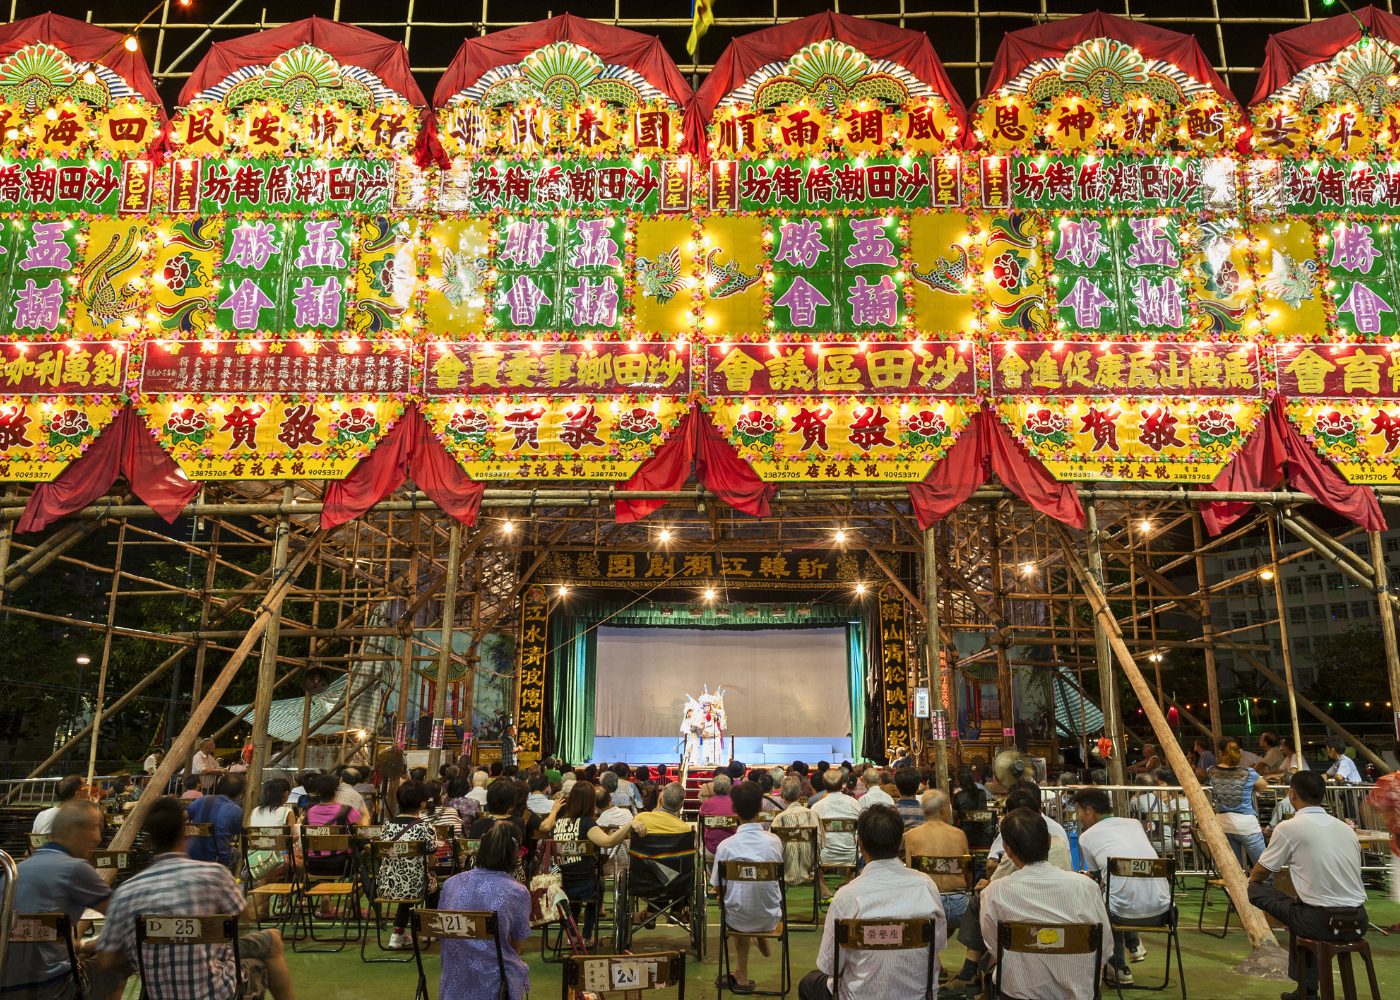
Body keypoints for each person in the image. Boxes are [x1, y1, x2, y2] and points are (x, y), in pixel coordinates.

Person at [94, 797, 296, 1000]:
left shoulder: (125, 892)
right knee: (271, 940)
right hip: (220, 993)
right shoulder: (215, 875)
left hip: (156, 993)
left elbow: (108, 958)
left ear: (149, 839)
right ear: (186, 832)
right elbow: (243, 920)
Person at [799, 804, 946, 999]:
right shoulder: (926, 886)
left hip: (859, 995)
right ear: (901, 843)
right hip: (918, 995)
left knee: (809, 983)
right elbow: (938, 943)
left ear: (860, 844)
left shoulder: (846, 896)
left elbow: (830, 965)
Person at [1250, 770, 1368, 1000]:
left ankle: (1307, 989)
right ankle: (1306, 988)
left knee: (1257, 891)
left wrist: (1251, 881)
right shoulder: (1346, 829)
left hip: (1320, 921)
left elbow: (1262, 871)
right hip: (1359, 919)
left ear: (1292, 794)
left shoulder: (1289, 827)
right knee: (1300, 911)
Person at [978, 809, 1112, 1000]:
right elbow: (1104, 947)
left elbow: (995, 946)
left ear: (1007, 850)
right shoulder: (1087, 886)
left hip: (1018, 994)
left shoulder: (994, 891)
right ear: (1049, 841)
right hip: (1081, 993)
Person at [2, 800, 112, 998]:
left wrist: (79, 947)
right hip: (53, 989)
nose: (98, 838)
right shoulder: (75, 868)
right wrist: (93, 945)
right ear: (74, 829)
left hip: (7, 988)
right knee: (120, 958)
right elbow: (123, 918)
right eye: (95, 828)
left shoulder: (17, 870)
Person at [1074, 788, 1172, 988]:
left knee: (1101, 900)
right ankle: (1134, 944)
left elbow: (1095, 876)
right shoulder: (1134, 824)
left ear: (1089, 810)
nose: (1079, 817)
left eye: (1079, 811)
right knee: (1118, 889)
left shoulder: (1087, 836)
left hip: (1120, 914)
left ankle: (1118, 966)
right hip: (1164, 912)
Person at [539, 781, 644, 942]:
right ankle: (587, 934)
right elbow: (608, 842)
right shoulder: (587, 823)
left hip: (561, 884)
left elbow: (545, 827)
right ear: (590, 802)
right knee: (599, 883)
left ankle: (572, 933)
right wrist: (628, 825)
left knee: (581, 883)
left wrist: (554, 811)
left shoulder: (558, 823)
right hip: (586, 886)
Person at [437, 822, 533, 1000]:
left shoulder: (452, 883)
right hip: (494, 984)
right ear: (514, 854)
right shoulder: (517, 891)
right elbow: (516, 945)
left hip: (453, 981)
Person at [713, 781, 784, 993]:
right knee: (753, 897)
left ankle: (741, 974)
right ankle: (759, 933)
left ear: (733, 809)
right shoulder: (775, 841)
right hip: (770, 913)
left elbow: (718, 888)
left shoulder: (725, 846)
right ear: (761, 808)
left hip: (738, 917)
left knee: (733, 905)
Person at [377, 780, 440, 950]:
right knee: (432, 883)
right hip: (414, 886)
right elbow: (432, 860)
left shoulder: (387, 825)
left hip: (386, 885)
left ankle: (397, 933)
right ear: (422, 803)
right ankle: (430, 930)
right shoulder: (426, 826)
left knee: (406, 884)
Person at [903, 788, 972, 933]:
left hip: (927, 904)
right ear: (942, 809)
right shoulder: (960, 834)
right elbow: (968, 872)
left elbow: (911, 872)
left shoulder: (911, 835)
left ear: (923, 810)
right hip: (959, 906)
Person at [1209, 738, 1269, 866]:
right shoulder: (1248, 773)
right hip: (1247, 824)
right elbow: (1263, 786)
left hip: (1223, 822)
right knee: (1263, 866)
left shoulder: (1212, 772)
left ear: (1220, 753)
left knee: (1234, 869)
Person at [810, 766, 860, 899]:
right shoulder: (854, 804)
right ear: (843, 784)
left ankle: (823, 887)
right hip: (852, 855)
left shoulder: (816, 806)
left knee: (810, 849)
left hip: (823, 856)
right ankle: (849, 883)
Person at [247, 778, 300, 899]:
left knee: (274, 866)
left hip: (253, 862)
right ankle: (291, 899)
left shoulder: (254, 811)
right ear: (286, 794)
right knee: (302, 864)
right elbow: (289, 839)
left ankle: (263, 909)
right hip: (275, 862)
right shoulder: (287, 812)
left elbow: (250, 836)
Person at [187, 773, 246, 869]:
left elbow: (185, 815)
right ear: (239, 792)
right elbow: (236, 833)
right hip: (218, 860)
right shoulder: (236, 810)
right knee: (236, 855)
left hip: (192, 854)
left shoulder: (203, 800)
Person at [771, 775, 819, 886]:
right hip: (810, 869)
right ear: (800, 794)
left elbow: (773, 847)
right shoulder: (813, 814)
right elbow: (821, 843)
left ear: (782, 795)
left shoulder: (779, 818)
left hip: (785, 871)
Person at [953, 766, 995, 851]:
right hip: (985, 838)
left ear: (959, 781)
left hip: (966, 839)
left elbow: (954, 818)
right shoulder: (982, 793)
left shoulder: (958, 796)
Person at [700, 772, 737, 856]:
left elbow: (702, 822)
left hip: (711, 848)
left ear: (714, 787)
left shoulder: (706, 804)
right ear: (729, 787)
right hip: (731, 849)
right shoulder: (735, 804)